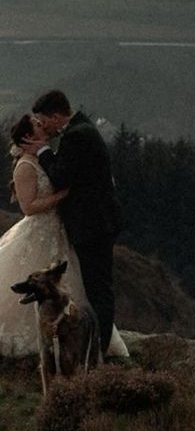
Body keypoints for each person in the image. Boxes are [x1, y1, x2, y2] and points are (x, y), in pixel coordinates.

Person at [0, 114, 126, 358]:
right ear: (28, 136)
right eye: (37, 125)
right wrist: (61, 196)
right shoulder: (25, 165)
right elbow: (29, 206)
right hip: (39, 231)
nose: (42, 125)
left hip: (59, 230)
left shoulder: (44, 158)